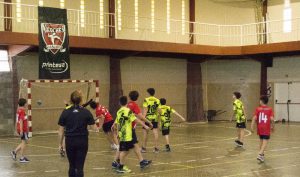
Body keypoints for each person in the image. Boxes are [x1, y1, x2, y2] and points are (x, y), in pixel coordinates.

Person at [58, 91, 98, 177]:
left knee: (72, 166)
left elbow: (61, 131)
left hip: (70, 142)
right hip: (82, 142)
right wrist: (96, 120)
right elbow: (94, 128)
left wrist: (60, 144)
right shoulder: (86, 112)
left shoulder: (65, 112)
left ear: (71, 100)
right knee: (80, 167)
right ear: (81, 100)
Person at [112, 91, 153, 170]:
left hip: (123, 129)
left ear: (129, 97)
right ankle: (117, 163)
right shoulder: (133, 105)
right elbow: (140, 117)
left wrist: (116, 127)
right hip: (129, 129)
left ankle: (141, 161)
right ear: (137, 98)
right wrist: (148, 123)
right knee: (126, 148)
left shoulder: (124, 108)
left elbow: (119, 117)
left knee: (134, 144)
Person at [251, 95, 275, 163]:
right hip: (266, 128)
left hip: (260, 128)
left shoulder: (258, 109)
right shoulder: (269, 109)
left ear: (261, 101)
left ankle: (262, 156)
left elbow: (254, 118)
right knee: (265, 142)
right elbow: (272, 119)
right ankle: (260, 153)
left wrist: (252, 126)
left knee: (261, 141)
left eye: (260, 100)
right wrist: (273, 126)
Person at [142, 88, 161, 153]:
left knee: (145, 133)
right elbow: (159, 111)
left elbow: (145, 110)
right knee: (155, 133)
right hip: (154, 119)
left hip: (147, 119)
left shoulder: (146, 100)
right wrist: (158, 120)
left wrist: (143, 120)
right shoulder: (157, 100)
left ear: (148, 93)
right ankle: (156, 148)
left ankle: (144, 148)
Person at [11, 98, 30, 163]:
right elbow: (21, 121)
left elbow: (19, 121)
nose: (27, 104)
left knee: (24, 142)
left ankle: (14, 152)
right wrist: (21, 130)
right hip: (23, 129)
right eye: (26, 103)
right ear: (24, 104)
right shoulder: (22, 111)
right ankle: (22, 158)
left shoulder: (19, 110)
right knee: (24, 143)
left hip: (22, 129)